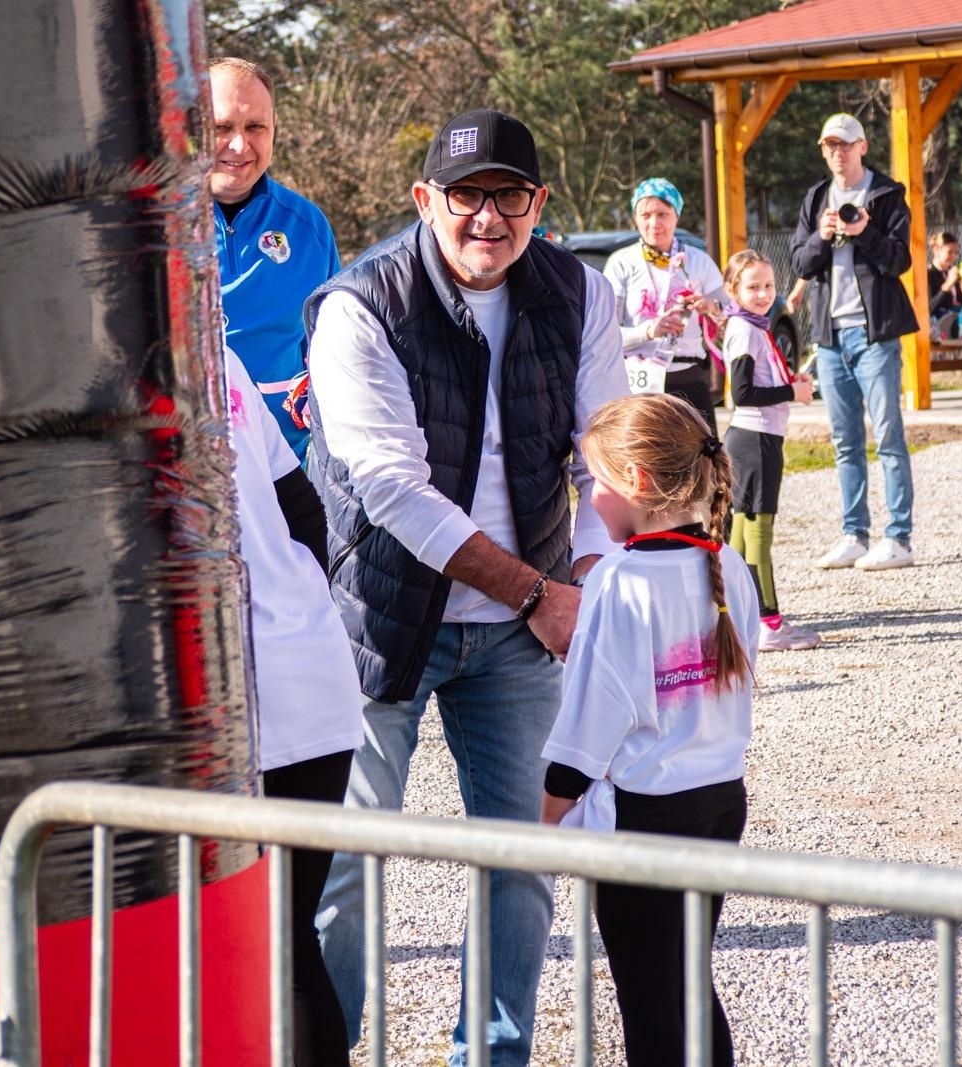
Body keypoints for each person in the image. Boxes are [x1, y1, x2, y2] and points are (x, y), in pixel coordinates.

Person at [303, 108, 627, 1066]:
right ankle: (330, 1050)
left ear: (539, 203)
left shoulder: (582, 293)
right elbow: (394, 488)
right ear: (425, 200)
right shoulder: (359, 305)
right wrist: (543, 593)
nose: (487, 218)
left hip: (523, 634)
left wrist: (595, 588)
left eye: (509, 196)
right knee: (347, 869)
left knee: (521, 863)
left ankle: (491, 1055)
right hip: (382, 619)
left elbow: (603, 458)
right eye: (465, 195)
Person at [539, 392, 758, 1067]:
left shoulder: (619, 581)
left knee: (649, 997)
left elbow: (586, 730)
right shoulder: (731, 569)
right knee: (687, 979)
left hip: (645, 815)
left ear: (635, 481)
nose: (590, 499)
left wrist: (547, 821)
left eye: (595, 481)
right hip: (720, 801)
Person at [224, 346, 363, 1065]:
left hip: (243, 691)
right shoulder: (218, 353)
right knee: (286, 934)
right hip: (309, 669)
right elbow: (301, 506)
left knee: (266, 938)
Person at [791, 112, 918, 572]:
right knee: (845, 441)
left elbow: (899, 261)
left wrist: (865, 233)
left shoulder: (886, 195)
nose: (837, 153)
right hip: (829, 337)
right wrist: (823, 237)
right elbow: (800, 263)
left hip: (875, 332)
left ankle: (899, 537)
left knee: (888, 436)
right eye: (829, 146)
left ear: (863, 147)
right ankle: (854, 534)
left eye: (845, 145)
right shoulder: (815, 198)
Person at [210, 57, 341, 463]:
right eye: (220, 127)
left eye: (255, 127)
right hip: (187, 472)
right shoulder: (147, 228)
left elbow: (336, 350)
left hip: (289, 469)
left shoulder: (307, 227)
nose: (239, 145)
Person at [719, 249, 820, 650]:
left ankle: (742, 615)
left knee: (743, 532)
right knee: (758, 533)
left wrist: (788, 381)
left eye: (768, 286)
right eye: (753, 287)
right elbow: (742, 392)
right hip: (754, 440)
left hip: (756, 439)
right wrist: (791, 391)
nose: (762, 293)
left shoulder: (755, 326)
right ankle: (770, 624)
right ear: (733, 289)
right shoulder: (744, 329)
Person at [604, 178, 728, 431]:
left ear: (676, 216)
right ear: (635, 218)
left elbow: (731, 317)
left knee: (705, 462)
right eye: (645, 214)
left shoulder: (699, 262)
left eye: (663, 214)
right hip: (637, 380)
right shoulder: (621, 263)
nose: (654, 223)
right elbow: (606, 333)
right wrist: (650, 331)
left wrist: (711, 307)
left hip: (688, 376)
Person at [927, 231, 962, 338]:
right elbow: (929, 308)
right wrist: (947, 286)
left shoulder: (952, 272)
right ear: (936, 250)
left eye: (956, 252)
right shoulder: (929, 274)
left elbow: (961, 302)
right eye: (949, 252)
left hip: (956, 322)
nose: (953, 256)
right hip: (938, 325)